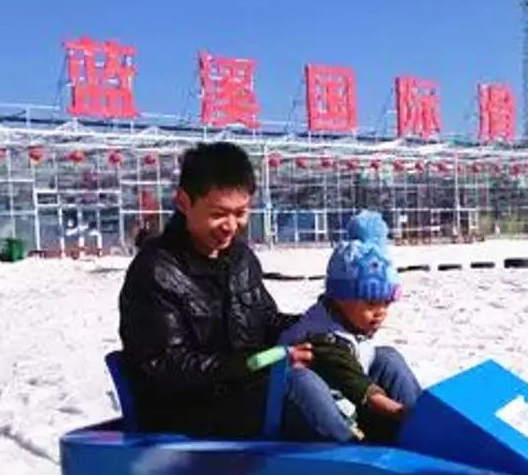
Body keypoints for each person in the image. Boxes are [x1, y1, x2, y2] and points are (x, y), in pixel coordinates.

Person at [118, 141, 312, 437]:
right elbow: (166, 365)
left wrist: (320, 324)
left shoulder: (240, 259)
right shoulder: (156, 271)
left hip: (242, 390)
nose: (231, 226)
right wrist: (251, 366)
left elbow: (267, 321)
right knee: (301, 387)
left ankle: (402, 437)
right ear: (184, 202)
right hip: (187, 410)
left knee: (380, 360)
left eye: (241, 213)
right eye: (219, 214)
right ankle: (370, 463)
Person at [278, 210, 422, 444]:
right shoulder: (322, 337)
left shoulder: (350, 323)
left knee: (388, 357)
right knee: (301, 380)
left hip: (345, 400)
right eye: (372, 304)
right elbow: (357, 386)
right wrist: (402, 412)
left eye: (386, 304)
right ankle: (348, 442)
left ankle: (421, 424)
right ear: (341, 299)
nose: (381, 313)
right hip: (307, 415)